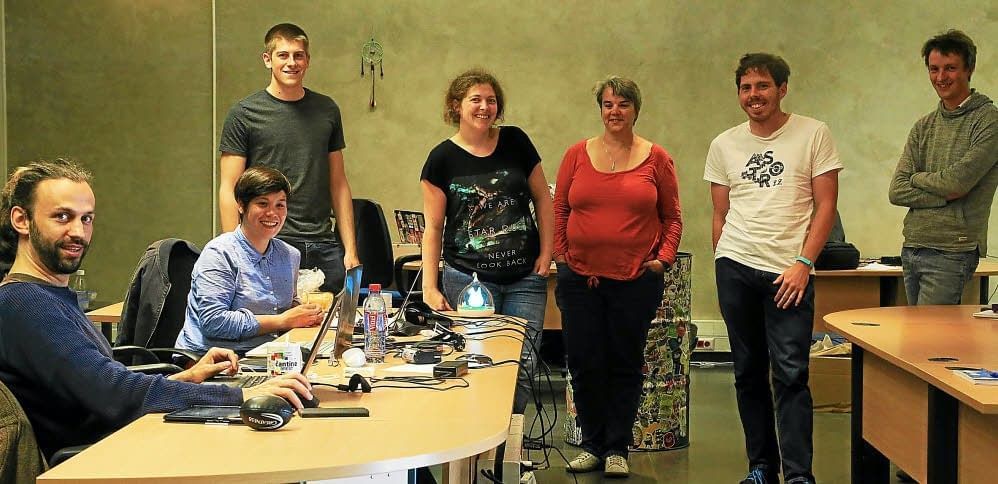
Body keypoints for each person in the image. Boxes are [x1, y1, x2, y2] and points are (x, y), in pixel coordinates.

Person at [0, 159, 314, 460]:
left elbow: (101, 383)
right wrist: (241, 396)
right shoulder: (26, 304)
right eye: (62, 217)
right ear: (21, 220)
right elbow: (113, 395)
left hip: (124, 437)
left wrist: (187, 378)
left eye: (86, 218)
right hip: (102, 456)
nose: (79, 233)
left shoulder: (48, 295)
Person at [704, 54, 841, 484]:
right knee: (746, 372)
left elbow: (826, 205)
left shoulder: (813, 133)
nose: (753, 95)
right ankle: (761, 466)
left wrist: (804, 263)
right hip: (736, 266)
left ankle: (799, 473)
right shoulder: (724, 143)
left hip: (789, 273)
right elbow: (719, 213)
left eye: (762, 86)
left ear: (782, 88)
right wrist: (721, 261)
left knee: (791, 373)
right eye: (745, 88)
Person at [553, 76, 682, 478]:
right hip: (580, 279)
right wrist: (562, 257)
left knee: (624, 363)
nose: (615, 111)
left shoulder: (656, 158)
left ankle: (616, 448)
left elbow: (672, 217)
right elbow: (560, 211)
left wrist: (663, 259)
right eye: (608, 104)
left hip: (635, 280)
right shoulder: (576, 154)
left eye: (623, 104)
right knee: (585, 363)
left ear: (635, 110)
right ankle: (591, 443)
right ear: (600, 109)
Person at [420, 68, 553, 415]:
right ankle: (478, 454)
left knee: (522, 366)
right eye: (475, 100)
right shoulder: (441, 159)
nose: (484, 107)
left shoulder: (517, 142)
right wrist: (430, 287)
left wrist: (547, 253)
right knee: (478, 365)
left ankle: (510, 453)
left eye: (491, 100)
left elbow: (543, 199)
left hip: (526, 278)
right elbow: (433, 228)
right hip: (468, 279)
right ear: (456, 106)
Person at [218, 22, 359, 293]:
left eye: (298, 55)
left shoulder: (327, 110)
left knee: (329, 331)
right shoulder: (244, 113)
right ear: (267, 60)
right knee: (270, 327)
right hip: (267, 241)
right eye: (283, 55)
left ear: (307, 60)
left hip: (323, 243)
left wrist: (350, 249)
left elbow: (338, 182)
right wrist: (232, 251)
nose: (291, 62)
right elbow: (229, 187)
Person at [888, 29, 998, 306]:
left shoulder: (989, 121)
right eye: (934, 69)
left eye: (950, 68)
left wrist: (917, 178)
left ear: (969, 69)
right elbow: (897, 191)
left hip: (953, 249)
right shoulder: (923, 126)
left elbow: (958, 184)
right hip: (912, 246)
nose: (940, 77)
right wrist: (942, 190)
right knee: (916, 342)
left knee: (932, 343)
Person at [176, 166, 325, 355]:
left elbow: (287, 306)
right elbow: (214, 322)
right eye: (263, 204)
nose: (273, 213)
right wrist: (283, 320)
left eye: (280, 204)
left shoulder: (289, 255)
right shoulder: (219, 253)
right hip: (211, 360)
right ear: (241, 205)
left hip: (267, 354)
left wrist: (305, 313)